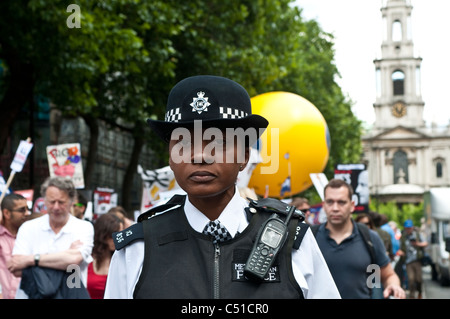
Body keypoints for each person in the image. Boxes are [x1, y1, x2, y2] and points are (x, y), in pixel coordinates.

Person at [104, 75, 340, 299]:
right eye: (183, 143)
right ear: (170, 157)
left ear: (244, 157)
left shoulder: (291, 240)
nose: (199, 156)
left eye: (218, 142)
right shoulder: (137, 248)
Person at [313, 178, 405, 299]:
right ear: (324, 205)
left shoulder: (370, 237)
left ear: (352, 206)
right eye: (330, 202)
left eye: (341, 202)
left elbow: (388, 275)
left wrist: (394, 285)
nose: (335, 208)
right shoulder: (311, 238)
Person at [8, 176, 94, 298]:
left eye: (61, 202)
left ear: (71, 202)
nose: (56, 207)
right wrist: (64, 258)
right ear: (44, 200)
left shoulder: (83, 227)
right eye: (51, 201)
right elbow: (16, 268)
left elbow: (73, 260)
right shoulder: (28, 228)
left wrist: (31, 260)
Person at [0, 194, 30, 299]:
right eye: (22, 210)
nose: (27, 213)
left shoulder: (30, 236)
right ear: (6, 213)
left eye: (27, 209)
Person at [87, 213, 124, 299]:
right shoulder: (85, 258)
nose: (118, 238)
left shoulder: (122, 259)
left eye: (121, 234)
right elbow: (73, 289)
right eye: (115, 234)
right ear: (104, 234)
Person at [397, 219, 428, 299]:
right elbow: (400, 248)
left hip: (417, 260)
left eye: (409, 228)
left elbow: (425, 243)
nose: (408, 230)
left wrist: (417, 244)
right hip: (408, 261)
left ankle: (420, 292)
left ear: (412, 227)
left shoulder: (417, 234)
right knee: (411, 279)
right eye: (407, 228)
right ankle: (412, 296)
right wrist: (400, 252)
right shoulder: (403, 237)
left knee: (418, 279)